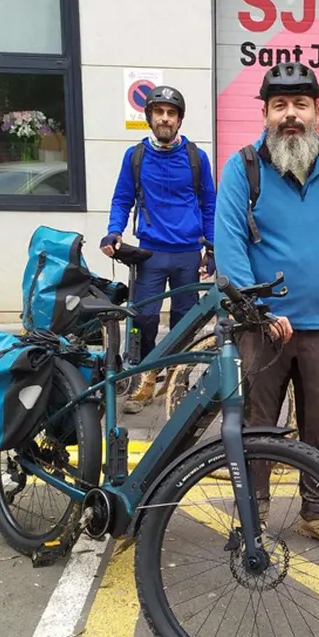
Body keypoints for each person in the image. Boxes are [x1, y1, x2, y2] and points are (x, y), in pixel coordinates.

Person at [214, 61, 319, 553]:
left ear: (316, 111)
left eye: (300, 105)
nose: (290, 115)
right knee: (258, 429)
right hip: (264, 329)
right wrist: (258, 311)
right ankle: (254, 517)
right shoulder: (244, 167)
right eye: (280, 106)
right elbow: (229, 244)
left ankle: (316, 514)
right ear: (266, 114)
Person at [102, 85, 217, 414]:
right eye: (159, 112)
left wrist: (212, 249)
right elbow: (122, 198)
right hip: (150, 252)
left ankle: (176, 378)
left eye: (171, 113)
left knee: (185, 319)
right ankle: (145, 380)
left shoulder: (196, 157)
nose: (165, 118)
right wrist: (113, 232)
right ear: (149, 117)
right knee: (144, 319)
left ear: (179, 120)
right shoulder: (135, 156)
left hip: (187, 253)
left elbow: (209, 204)